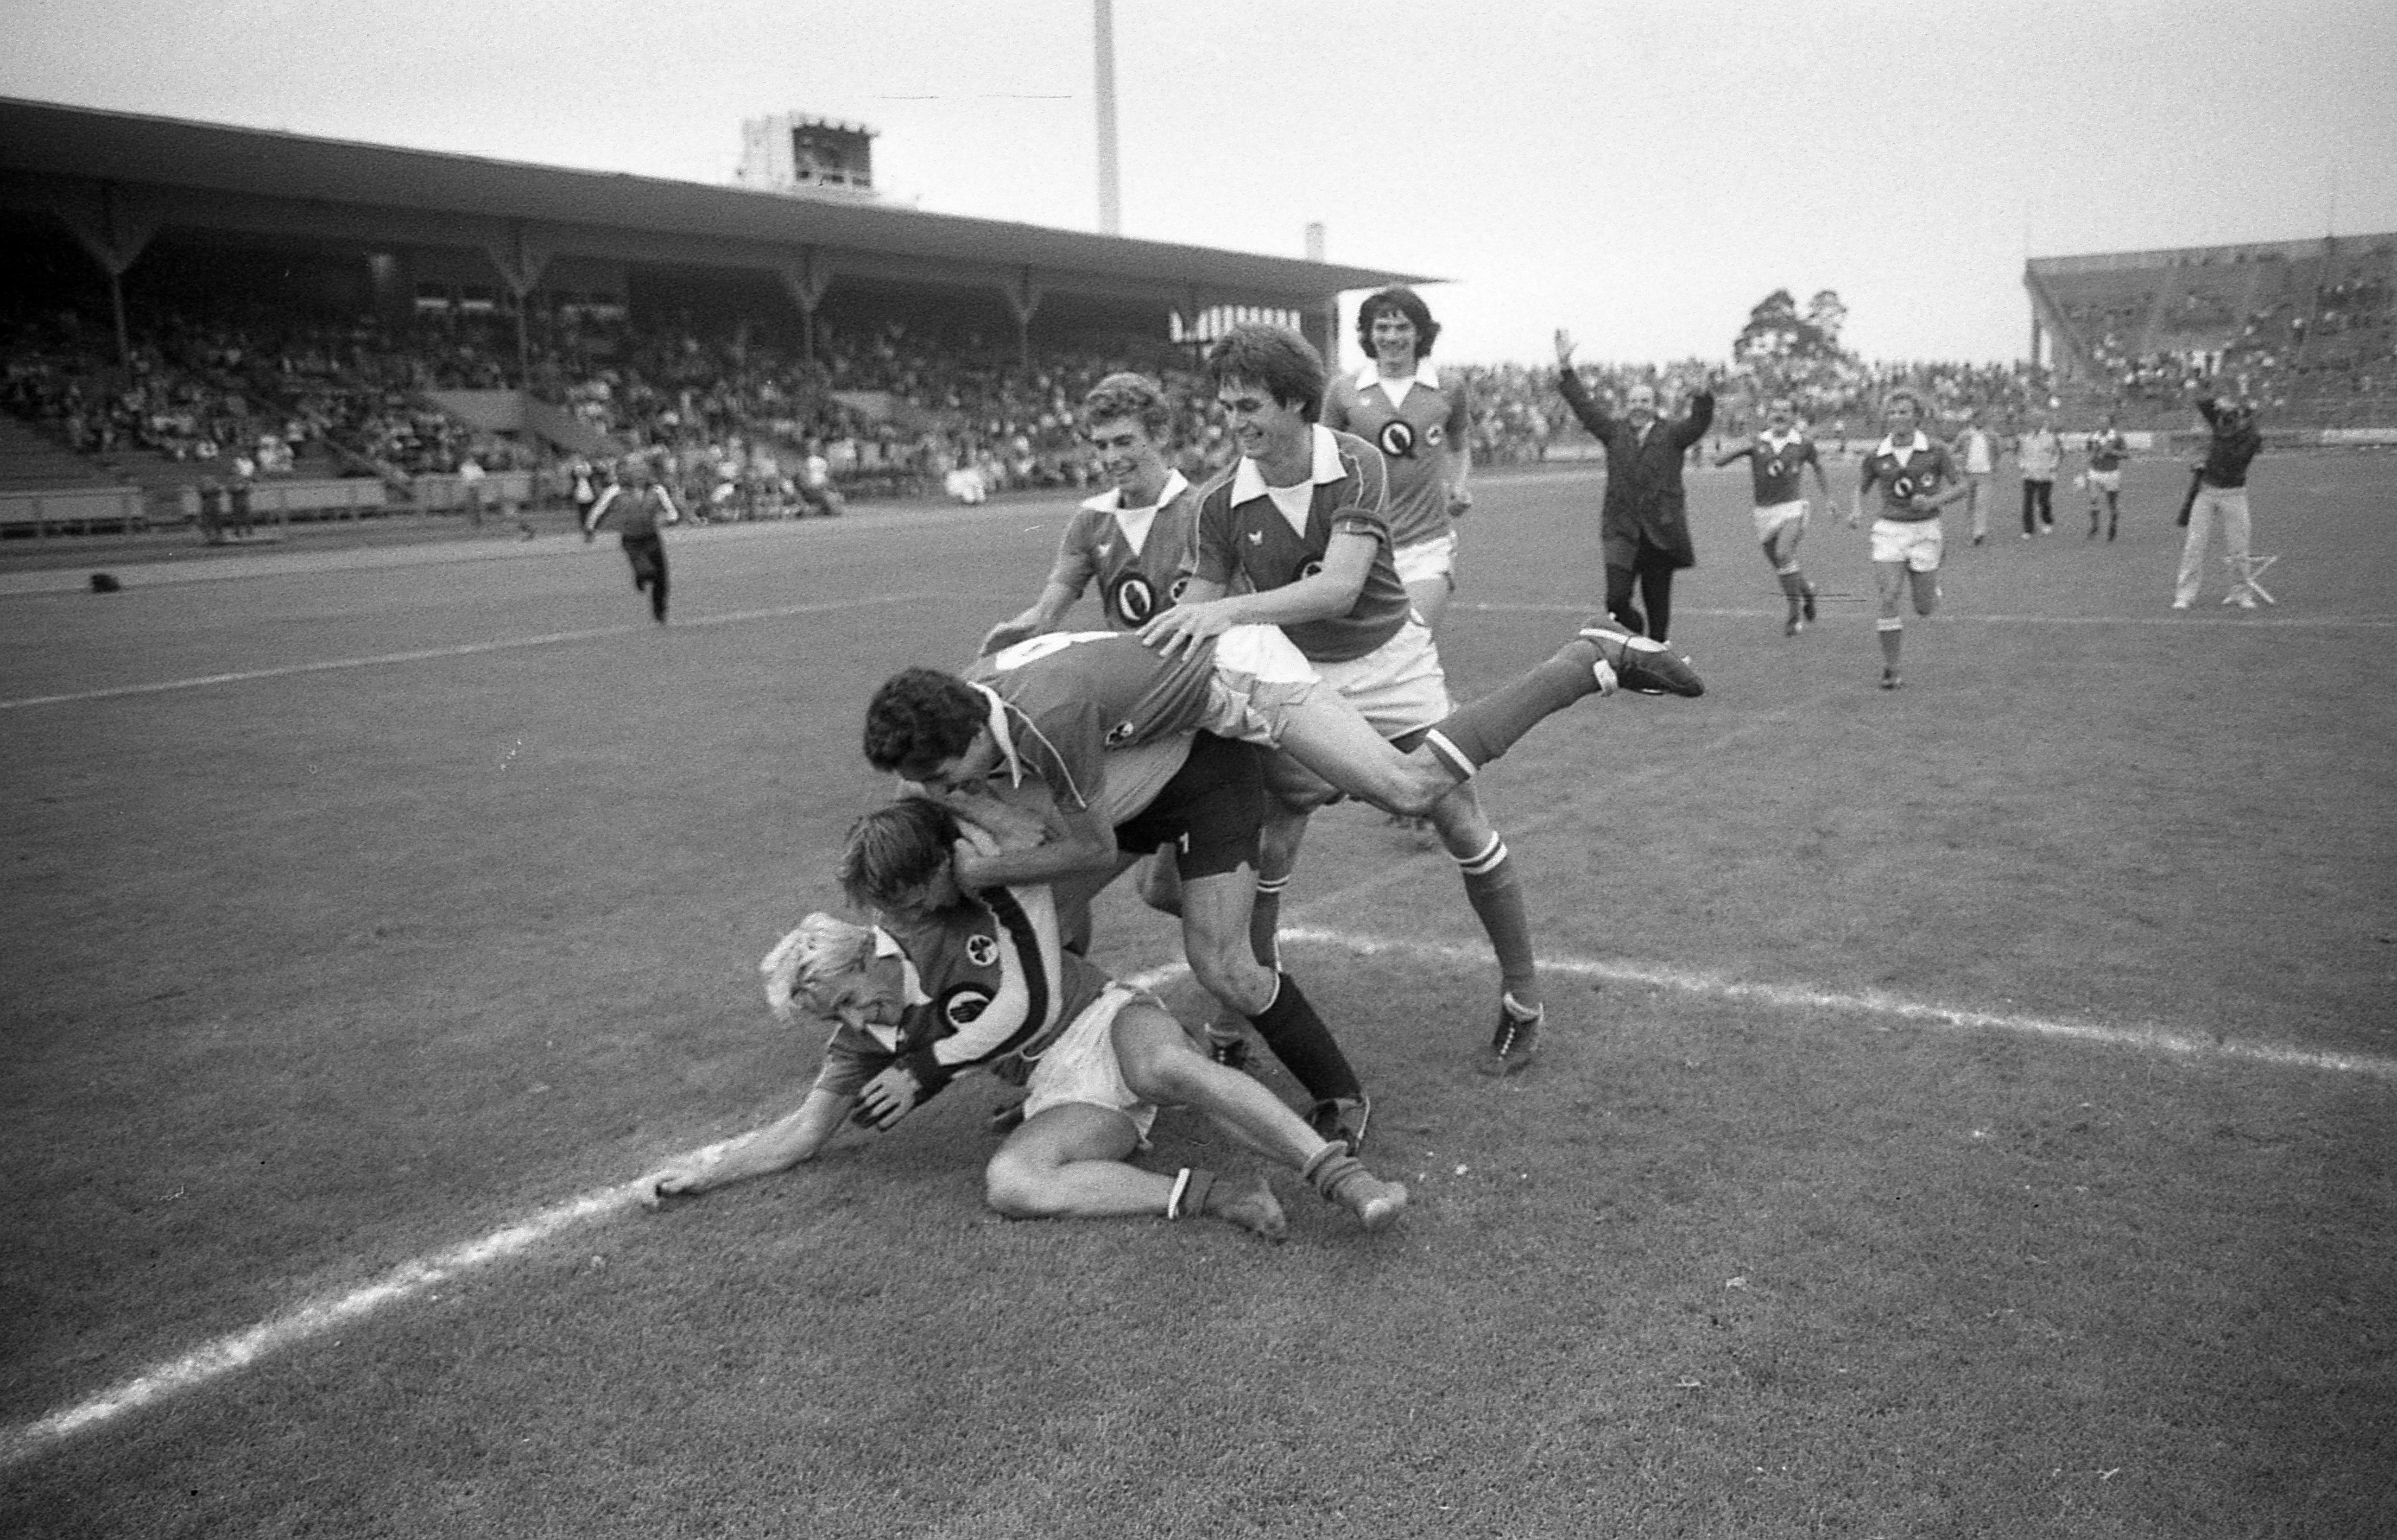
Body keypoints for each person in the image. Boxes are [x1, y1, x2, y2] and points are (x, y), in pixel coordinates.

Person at [1141, 325, 1701, 1077]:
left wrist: (1224, 613)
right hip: (1298, 674)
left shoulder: (1355, 463)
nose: (1233, 422)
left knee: (1456, 817)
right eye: (1226, 406)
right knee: (1271, 838)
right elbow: (1199, 609)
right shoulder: (1217, 502)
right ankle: (1242, 1009)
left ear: (1298, 403)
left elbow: (1338, 589)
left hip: (1390, 661)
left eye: (1249, 406)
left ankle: (1522, 1002)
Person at [636, 801, 1408, 1240]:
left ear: (868, 951)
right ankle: (1218, 1197)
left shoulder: (938, 918)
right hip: (1057, 1087)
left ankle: (1345, 1179)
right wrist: (705, 1175)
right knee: (1011, 1181)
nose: (854, 1019)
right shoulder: (863, 1040)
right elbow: (803, 1132)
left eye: (845, 997)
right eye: (833, 1018)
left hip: (1104, 1019)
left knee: (1166, 1069)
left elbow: (1009, 848)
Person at [981, 373, 1200, 653]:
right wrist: (1013, 638)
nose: (1111, 458)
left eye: (1124, 442)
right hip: (1127, 673)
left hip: (1191, 672)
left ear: (1160, 436)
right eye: (1102, 446)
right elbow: (1046, 615)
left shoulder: (1202, 510)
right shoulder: (1092, 519)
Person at [1320, 288, 1474, 634]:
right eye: (1382, 328)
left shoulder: (1448, 387)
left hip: (1426, 542)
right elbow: (1323, 456)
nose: (1392, 337)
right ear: (1367, 334)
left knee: (1414, 639)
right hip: (1360, 542)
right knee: (1368, 649)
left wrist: (1460, 485)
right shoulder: (1343, 391)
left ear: (1420, 333)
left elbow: (1460, 445)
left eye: (1402, 328)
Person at [1551, 331, 1715, 643]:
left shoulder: (1672, 436)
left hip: (1659, 531)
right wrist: (1565, 366)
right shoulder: (1614, 433)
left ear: (1655, 406)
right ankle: (1635, 634)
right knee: (1616, 600)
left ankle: (1656, 652)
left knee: (1657, 602)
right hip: (1621, 528)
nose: (1639, 406)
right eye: (1634, 401)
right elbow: (1584, 407)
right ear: (1626, 405)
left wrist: (1703, 396)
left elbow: (1698, 424)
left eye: (1645, 401)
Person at [1850, 389, 1970, 690]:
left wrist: (1933, 501)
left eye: (1904, 412)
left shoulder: (1935, 450)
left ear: (1917, 416)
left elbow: (1963, 486)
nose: (1898, 417)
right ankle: (1892, 669)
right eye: (1892, 412)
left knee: (1924, 608)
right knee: (1889, 598)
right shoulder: (1878, 454)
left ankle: (1931, 580)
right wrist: (1855, 511)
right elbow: (1861, 488)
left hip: (1925, 530)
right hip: (1889, 530)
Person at [1715, 394, 1836, 636]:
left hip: (1792, 508)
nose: (1779, 415)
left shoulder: (1803, 443)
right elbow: (1719, 461)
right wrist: (1738, 445)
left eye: (1785, 411)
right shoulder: (1756, 441)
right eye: (1774, 411)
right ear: (1767, 416)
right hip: (1764, 513)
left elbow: (1818, 467)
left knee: (1783, 554)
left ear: (1793, 416)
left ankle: (1794, 613)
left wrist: (1829, 498)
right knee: (1782, 565)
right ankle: (1807, 592)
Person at [2173, 396, 2264, 610]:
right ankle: (2185, 594)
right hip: (2206, 492)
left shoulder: (2252, 439)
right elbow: (2202, 403)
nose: (2230, 420)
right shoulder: (2223, 425)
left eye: (2236, 416)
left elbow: (2234, 458)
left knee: (2239, 548)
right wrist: (2219, 403)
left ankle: (2241, 592)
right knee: (2194, 545)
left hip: (2234, 494)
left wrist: (2215, 444)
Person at [582, 456, 681, 623]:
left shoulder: (657, 489)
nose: (641, 475)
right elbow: (599, 510)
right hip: (632, 540)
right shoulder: (616, 491)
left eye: (644, 471)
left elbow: (671, 509)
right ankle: (640, 576)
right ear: (629, 474)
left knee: (662, 577)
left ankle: (660, 609)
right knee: (647, 571)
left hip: (651, 537)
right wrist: (590, 528)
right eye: (637, 472)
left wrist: (672, 518)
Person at [1951, 411, 1999, 544]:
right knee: (1971, 504)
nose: (1981, 421)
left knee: (1981, 503)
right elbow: (1954, 450)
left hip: (1986, 474)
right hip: (1969, 474)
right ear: (1973, 420)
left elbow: (1998, 451)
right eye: (1978, 419)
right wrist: (1959, 464)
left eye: (1983, 419)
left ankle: (1979, 533)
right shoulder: (1965, 435)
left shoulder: (1991, 436)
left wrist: (1994, 466)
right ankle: (1972, 530)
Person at [2083, 413, 2130, 541]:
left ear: (2110, 424)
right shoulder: (2093, 437)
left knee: (2112, 503)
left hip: (2111, 473)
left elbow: (2126, 454)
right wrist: (2092, 457)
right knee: (2093, 499)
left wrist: (2112, 452)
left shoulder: (2117, 437)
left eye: (2105, 422)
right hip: (2095, 472)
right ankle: (2095, 527)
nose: (2102, 424)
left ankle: (2113, 525)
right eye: (2100, 422)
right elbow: (2088, 454)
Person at [2015, 411, 2061, 537]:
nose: (2034, 423)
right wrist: (2023, 466)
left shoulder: (2050, 438)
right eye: (2032, 420)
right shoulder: (2025, 438)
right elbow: (2020, 454)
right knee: (2028, 502)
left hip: (2046, 475)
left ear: (2042, 422)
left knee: (2043, 500)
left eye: (2037, 420)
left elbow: (2057, 454)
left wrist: (2053, 467)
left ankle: (2047, 520)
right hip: (2029, 475)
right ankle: (2028, 529)